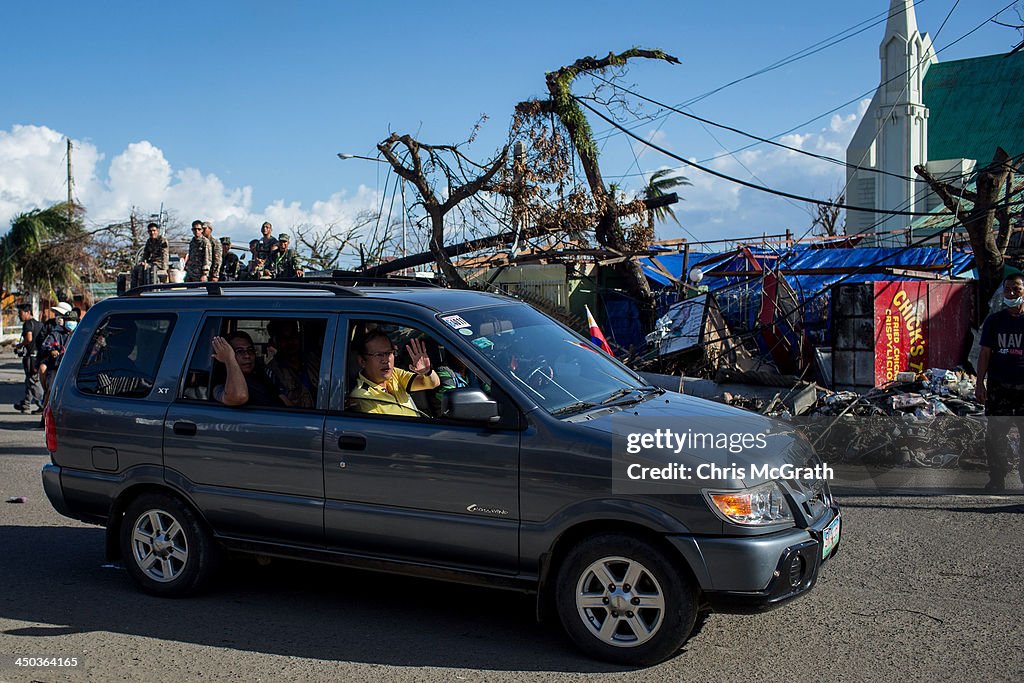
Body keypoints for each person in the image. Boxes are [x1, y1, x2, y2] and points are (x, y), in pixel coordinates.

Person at [976, 272, 1024, 493]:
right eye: (1007, 289)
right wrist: (979, 383)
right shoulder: (995, 321)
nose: (1011, 293)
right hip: (999, 388)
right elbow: (985, 354)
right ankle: (997, 478)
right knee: (995, 436)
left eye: (1016, 289)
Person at [349, 330, 439, 416]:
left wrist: (426, 371)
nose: (386, 360)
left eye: (389, 353)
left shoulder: (394, 374)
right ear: (362, 361)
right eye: (379, 355)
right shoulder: (362, 396)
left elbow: (432, 383)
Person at [210, 331, 284, 407]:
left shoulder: (261, 376)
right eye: (239, 351)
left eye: (250, 350)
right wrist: (229, 359)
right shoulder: (221, 384)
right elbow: (239, 396)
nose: (247, 355)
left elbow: (283, 400)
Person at [266, 320, 320, 408]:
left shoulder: (314, 361)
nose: (290, 342)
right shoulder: (272, 373)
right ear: (273, 342)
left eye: (293, 336)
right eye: (283, 339)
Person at [13, 304, 43, 413]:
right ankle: (26, 403)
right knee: (29, 380)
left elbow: (29, 338)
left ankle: (42, 403)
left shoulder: (28, 324)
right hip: (38, 356)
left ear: (28, 312)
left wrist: (20, 345)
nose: (19, 316)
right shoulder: (39, 324)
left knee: (33, 381)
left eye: (20, 314)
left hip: (31, 357)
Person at [131, 222, 169, 288]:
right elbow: (146, 254)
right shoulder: (149, 241)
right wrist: (143, 262)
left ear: (157, 231)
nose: (152, 233)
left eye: (154, 231)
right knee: (137, 269)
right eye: (150, 231)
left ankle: (152, 288)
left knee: (152, 270)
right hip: (151, 262)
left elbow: (164, 254)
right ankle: (136, 289)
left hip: (159, 263)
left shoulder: (162, 240)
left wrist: (164, 268)